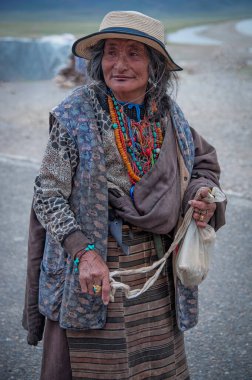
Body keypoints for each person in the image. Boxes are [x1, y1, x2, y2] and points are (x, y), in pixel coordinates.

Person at [23, 10, 226, 380]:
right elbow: (47, 193)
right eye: (111, 53)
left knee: (154, 366)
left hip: (154, 270)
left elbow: (203, 165)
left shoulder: (168, 114)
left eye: (134, 54)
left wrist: (201, 195)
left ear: (156, 66)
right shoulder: (76, 114)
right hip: (94, 270)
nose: (119, 64)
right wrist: (83, 252)